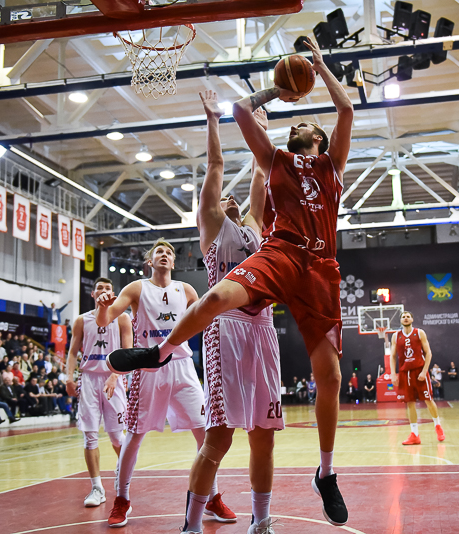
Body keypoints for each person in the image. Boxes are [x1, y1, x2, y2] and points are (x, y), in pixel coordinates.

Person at [106, 35, 352, 527]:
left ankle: (324, 474)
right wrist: (277, 91)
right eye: (295, 122)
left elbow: (345, 110)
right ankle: (160, 353)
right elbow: (240, 114)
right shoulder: (274, 164)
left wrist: (320, 67)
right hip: (281, 257)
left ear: (319, 138)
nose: (298, 125)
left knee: (329, 378)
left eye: (305, 124)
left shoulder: (331, 166)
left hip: (316, 271)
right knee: (218, 297)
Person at [175, 92, 282, 534]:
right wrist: (213, 119)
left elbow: (261, 170)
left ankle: (262, 521)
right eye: (224, 199)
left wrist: (261, 127)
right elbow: (216, 165)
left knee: (264, 437)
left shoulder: (255, 227)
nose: (230, 199)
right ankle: (191, 525)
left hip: (263, 329)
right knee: (219, 439)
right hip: (227, 328)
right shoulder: (212, 227)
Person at [95, 239, 232, 529]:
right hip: (149, 367)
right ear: (150, 261)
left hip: (183, 367)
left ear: (173, 261)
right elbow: (105, 320)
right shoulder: (136, 288)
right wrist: (102, 307)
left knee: (205, 435)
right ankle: (122, 499)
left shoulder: (187, 290)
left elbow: (206, 320)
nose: (165, 255)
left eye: (169, 252)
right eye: (159, 251)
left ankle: (212, 497)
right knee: (134, 436)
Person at [66, 277, 131, 509]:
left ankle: (123, 479)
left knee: (116, 436)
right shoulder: (81, 320)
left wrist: (115, 375)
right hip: (89, 379)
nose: (103, 290)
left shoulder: (122, 317)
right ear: (93, 294)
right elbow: (72, 352)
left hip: (114, 377)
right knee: (90, 436)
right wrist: (69, 377)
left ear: (113, 295)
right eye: (99, 288)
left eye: (108, 288)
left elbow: (128, 350)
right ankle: (97, 487)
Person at [390, 311, 445, 445]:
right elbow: (392, 356)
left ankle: (437, 425)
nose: (406, 318)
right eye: (403, 317)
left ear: (412, 319)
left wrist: (424, 371)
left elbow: (428, 353)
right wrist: (393, 373)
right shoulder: (396, 336)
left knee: (428, 400)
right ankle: (414, 434)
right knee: (410, 403)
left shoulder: (419, 333)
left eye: (408, 316)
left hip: (419, 371)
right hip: (405, 373)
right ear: (400, 320)